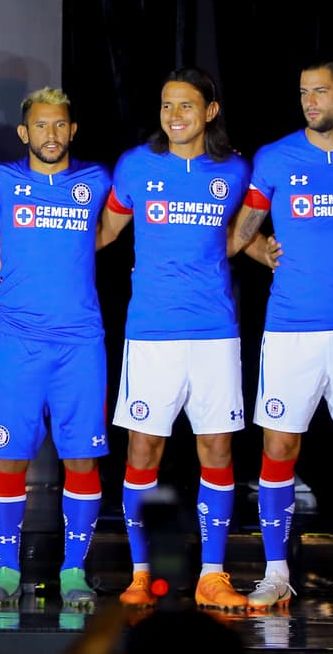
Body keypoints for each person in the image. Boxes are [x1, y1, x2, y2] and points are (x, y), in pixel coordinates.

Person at [99, 67, 267, 610]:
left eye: (186, 106)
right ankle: (142, 572)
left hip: (214, 333)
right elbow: (102, 231)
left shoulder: (235, 169)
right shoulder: (136, 166)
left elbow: (242, 234)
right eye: (167, 105)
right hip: (151, 333)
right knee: (143, 449)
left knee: (217, 449)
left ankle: (212, 574)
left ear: (210, 112)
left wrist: (265, 248)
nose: (174, 116)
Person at [231, 61, 333, 613]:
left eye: (320, 92)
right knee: (279, 447)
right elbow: (234, 232)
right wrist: (257, 250)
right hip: (290, 328)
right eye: (303, 93)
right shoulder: (274, 158)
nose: (310, 101)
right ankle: (275, 573)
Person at [0, 88, 110, 609]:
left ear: (72, 131)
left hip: (80, 344)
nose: (50, 135)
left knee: (81, 460)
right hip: (18, 343)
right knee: (10, 461)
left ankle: (74, 570)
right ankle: (7, 571)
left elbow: (113, 228)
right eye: (40, 127)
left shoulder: (97, 181)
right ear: (23, 133)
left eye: (60, 126)